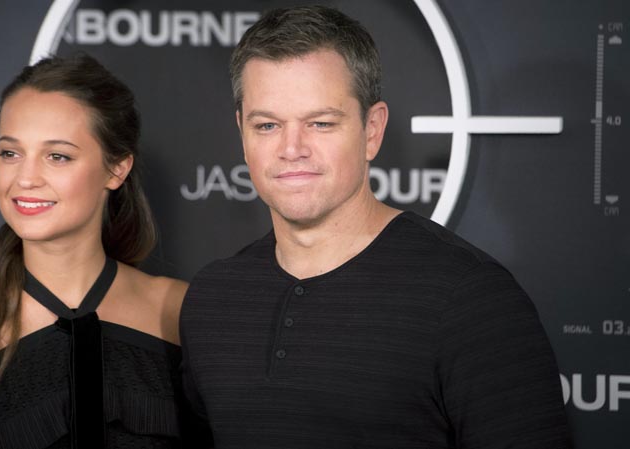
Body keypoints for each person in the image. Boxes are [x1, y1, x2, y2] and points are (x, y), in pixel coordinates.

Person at [180, 5, 571, 449]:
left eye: (321, 123)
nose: (291, 149)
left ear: (372, 130)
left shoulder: (470, 297)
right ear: (242, 133)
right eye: (267, 125)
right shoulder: (213, 298)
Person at [0, 55, 208, 448]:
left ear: (117, 169)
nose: (25, 177)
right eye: (10, 152)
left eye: (57, 156)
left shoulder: (178, 311)